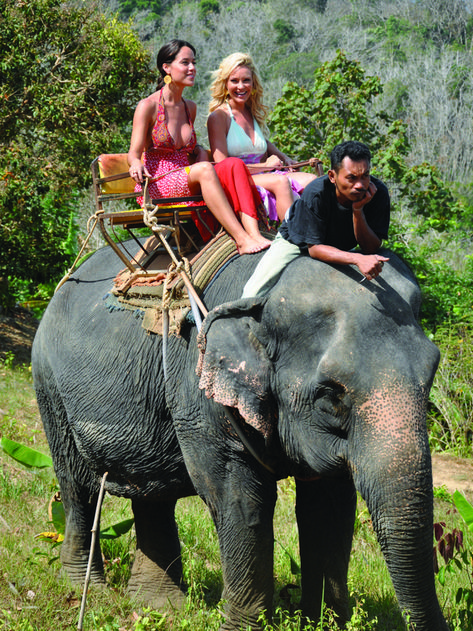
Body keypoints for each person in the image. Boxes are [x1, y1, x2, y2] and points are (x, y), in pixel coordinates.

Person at [127, 40, 271, 255]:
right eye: (185, 63)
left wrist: (200, 151)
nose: (192, 68)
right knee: (205, 169)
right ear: (166, 68)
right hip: (158, 181)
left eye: (194, 62)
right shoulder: (148, 106)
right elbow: (134, 153)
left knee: (233, 163)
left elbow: (189, 149)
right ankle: (241, 238)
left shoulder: (189, 108)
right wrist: (135, 164)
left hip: (185, 175)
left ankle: (255, 232)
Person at [242, 140, 391, 297]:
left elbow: (371, 247)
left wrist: (358, 211)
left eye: (365, 176)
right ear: (332, 176)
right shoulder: (317, 193)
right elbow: (315, 249)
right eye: (351, 178)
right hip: (297, 242)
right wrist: (357, 258)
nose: (360, 185)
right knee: (252, 293)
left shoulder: (377, 192)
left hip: (340, 246)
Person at [207, 52, 317, 222]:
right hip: (240, 179)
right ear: (225, 84)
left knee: (312, 181)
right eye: (234, 81)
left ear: (253, 83)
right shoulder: (219, 117)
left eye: (246, 80)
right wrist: (265, 165)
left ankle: (315, 233)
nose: (241, 87)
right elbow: (222, 167)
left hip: (265, 173)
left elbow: (261, 143)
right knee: (281, 183)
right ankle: (290, 236)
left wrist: (285, 157)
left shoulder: (250, 111)